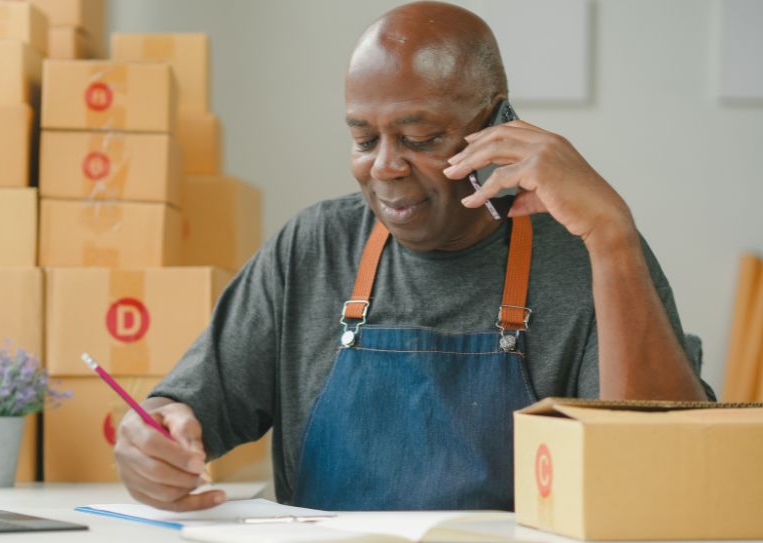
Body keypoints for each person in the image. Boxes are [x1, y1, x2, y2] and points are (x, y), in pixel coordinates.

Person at [112, 1, 714, 513]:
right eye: (364, 139)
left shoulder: (591, 252)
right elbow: (186, 407)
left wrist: (613, 236)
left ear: (497, 124)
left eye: (421, 139)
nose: (385, 167)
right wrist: (154, 439)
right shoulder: (314, 248)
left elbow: (666, 479)